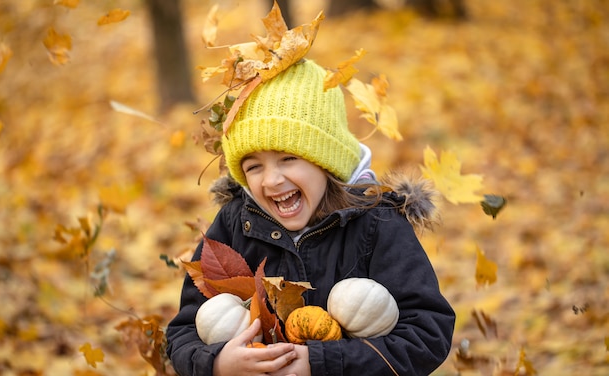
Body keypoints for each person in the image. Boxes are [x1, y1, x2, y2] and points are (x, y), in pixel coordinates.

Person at [166, 59, 455, 376]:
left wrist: (324, 363)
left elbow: (428, 335)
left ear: (325, 161)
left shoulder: (377, 223)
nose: (271, 180)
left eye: (288, 158)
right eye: (253, 166)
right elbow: (183, 332)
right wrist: (218, 364)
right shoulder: (236, 223)